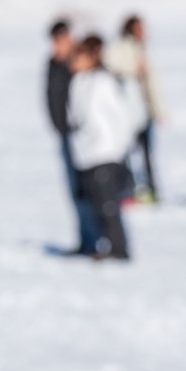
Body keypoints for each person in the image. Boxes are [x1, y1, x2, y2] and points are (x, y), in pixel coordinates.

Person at [67, 35, 135, 263]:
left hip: (105, 152)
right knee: (95, 204)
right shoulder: (78, 82)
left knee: (109, 205)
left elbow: (121, 117)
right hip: (85, 154)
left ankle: (119, 249)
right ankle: (105, 244)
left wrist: (120, 147)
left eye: (79, 56)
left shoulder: (104, 82)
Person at [44, 19, 99, 256]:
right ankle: (86, 240)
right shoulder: (53, 65)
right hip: (66, 136)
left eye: (62, 40)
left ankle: (100, 240)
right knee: (75, 191)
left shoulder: (81, 62)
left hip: (87, 138)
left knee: (93, 190)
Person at [106, 14, 164, 202]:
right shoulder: (120, 48)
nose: (144, 33)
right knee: (127, 154)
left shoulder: (141, 49)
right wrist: (132, 68)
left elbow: (151, 85)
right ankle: (129, 191)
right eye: (140, 28)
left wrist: (158, 111)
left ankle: (151, 191)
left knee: (147, 154)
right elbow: (111, 66)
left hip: (143, 112)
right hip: (127, 114)